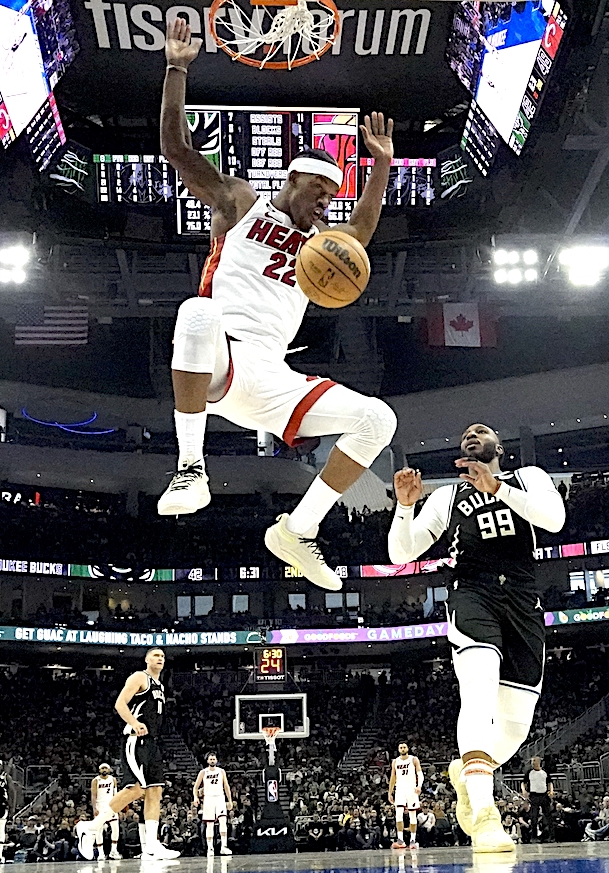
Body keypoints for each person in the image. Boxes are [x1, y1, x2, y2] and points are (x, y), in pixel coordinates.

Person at [154, 17, 398, 592]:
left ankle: (298, 530)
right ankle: (191, 468)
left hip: (271, 377)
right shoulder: (240, 202)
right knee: (197, 311)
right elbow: (175, 148)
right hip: (217, 358)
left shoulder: (323, 246)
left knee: (378, 420)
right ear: (295, 180)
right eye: (321, 192)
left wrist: (382, 166)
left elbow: (361, 231)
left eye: (333, 197)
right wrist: (176, 69)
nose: (326, 204)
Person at [388, 423, 566, 852]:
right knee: (479, 693)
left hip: (522, 600)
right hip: (472, 594)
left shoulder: (529, 477)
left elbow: (554, 520)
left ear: (498, 447)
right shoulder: (447, 496)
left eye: (482, 430)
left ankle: (466, 773)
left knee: (515, 728)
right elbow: (400, 553)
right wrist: (405, 508)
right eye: (467, 433)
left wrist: (498, 488)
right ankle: (486, 816)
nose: (473, 433)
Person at [76, 648, 180, 860]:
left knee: (155, 791)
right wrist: (134, 722)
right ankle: (91, 827)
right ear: (146, 659)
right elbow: (120, 703)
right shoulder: (140, 677)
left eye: (162, 656)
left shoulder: (160, 685)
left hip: (152, 742)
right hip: (135, 740)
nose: (160, 658)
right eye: (155, 655)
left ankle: (152, 845)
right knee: (135, 788)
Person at [193, 753, 233, 856]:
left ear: (216, 760)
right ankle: (210, 848)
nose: (212, 761)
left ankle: (224, 847)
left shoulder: (221, 771)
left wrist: (230, 800)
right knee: (209, 824)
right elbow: (195, 787)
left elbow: (226, 786)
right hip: (208, 798)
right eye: (210, 759)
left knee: (223, 821)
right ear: (207, 761)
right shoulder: (203, 772)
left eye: (213, 759)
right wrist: (196, 797)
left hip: (220, 797)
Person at [388, 743, 423, 849]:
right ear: (398, 749)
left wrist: (419, 786)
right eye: (401, 747)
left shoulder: (414, 759)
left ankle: (413, 840)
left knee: (412, 814)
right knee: (398, 814)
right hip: (400, 790)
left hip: (411, 789)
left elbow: (420, 774)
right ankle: (400, 840)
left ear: (407, 748)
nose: (402, 749)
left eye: (404, 747)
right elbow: (393, 777)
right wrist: (390, 792)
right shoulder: (395, 761)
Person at [89, 763, 121, 860]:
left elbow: (116, 795)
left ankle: (113, 851)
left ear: (109, 770)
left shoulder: (113, 779)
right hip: (100, 807)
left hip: (111, 806)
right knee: (99, 830)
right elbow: (93, 795)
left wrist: (118, 807)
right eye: (102, 768)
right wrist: (94, 808)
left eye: (106, 768)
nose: (104, 770)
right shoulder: (95, 780)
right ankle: (101, 853)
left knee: (115, 828)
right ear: (99, 770)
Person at [521, 757, 554, 842]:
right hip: (534, 795)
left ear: (539, 762)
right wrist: (524, 790)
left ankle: (551, 836)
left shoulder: (544, 772)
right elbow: (523, 782)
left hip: (544, 795)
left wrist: (551, 791)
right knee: (534, 816)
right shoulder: (529, 772)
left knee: (548, 815)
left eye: (534, 761)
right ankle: (534, 837)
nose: (532, 763)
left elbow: (550, 782)